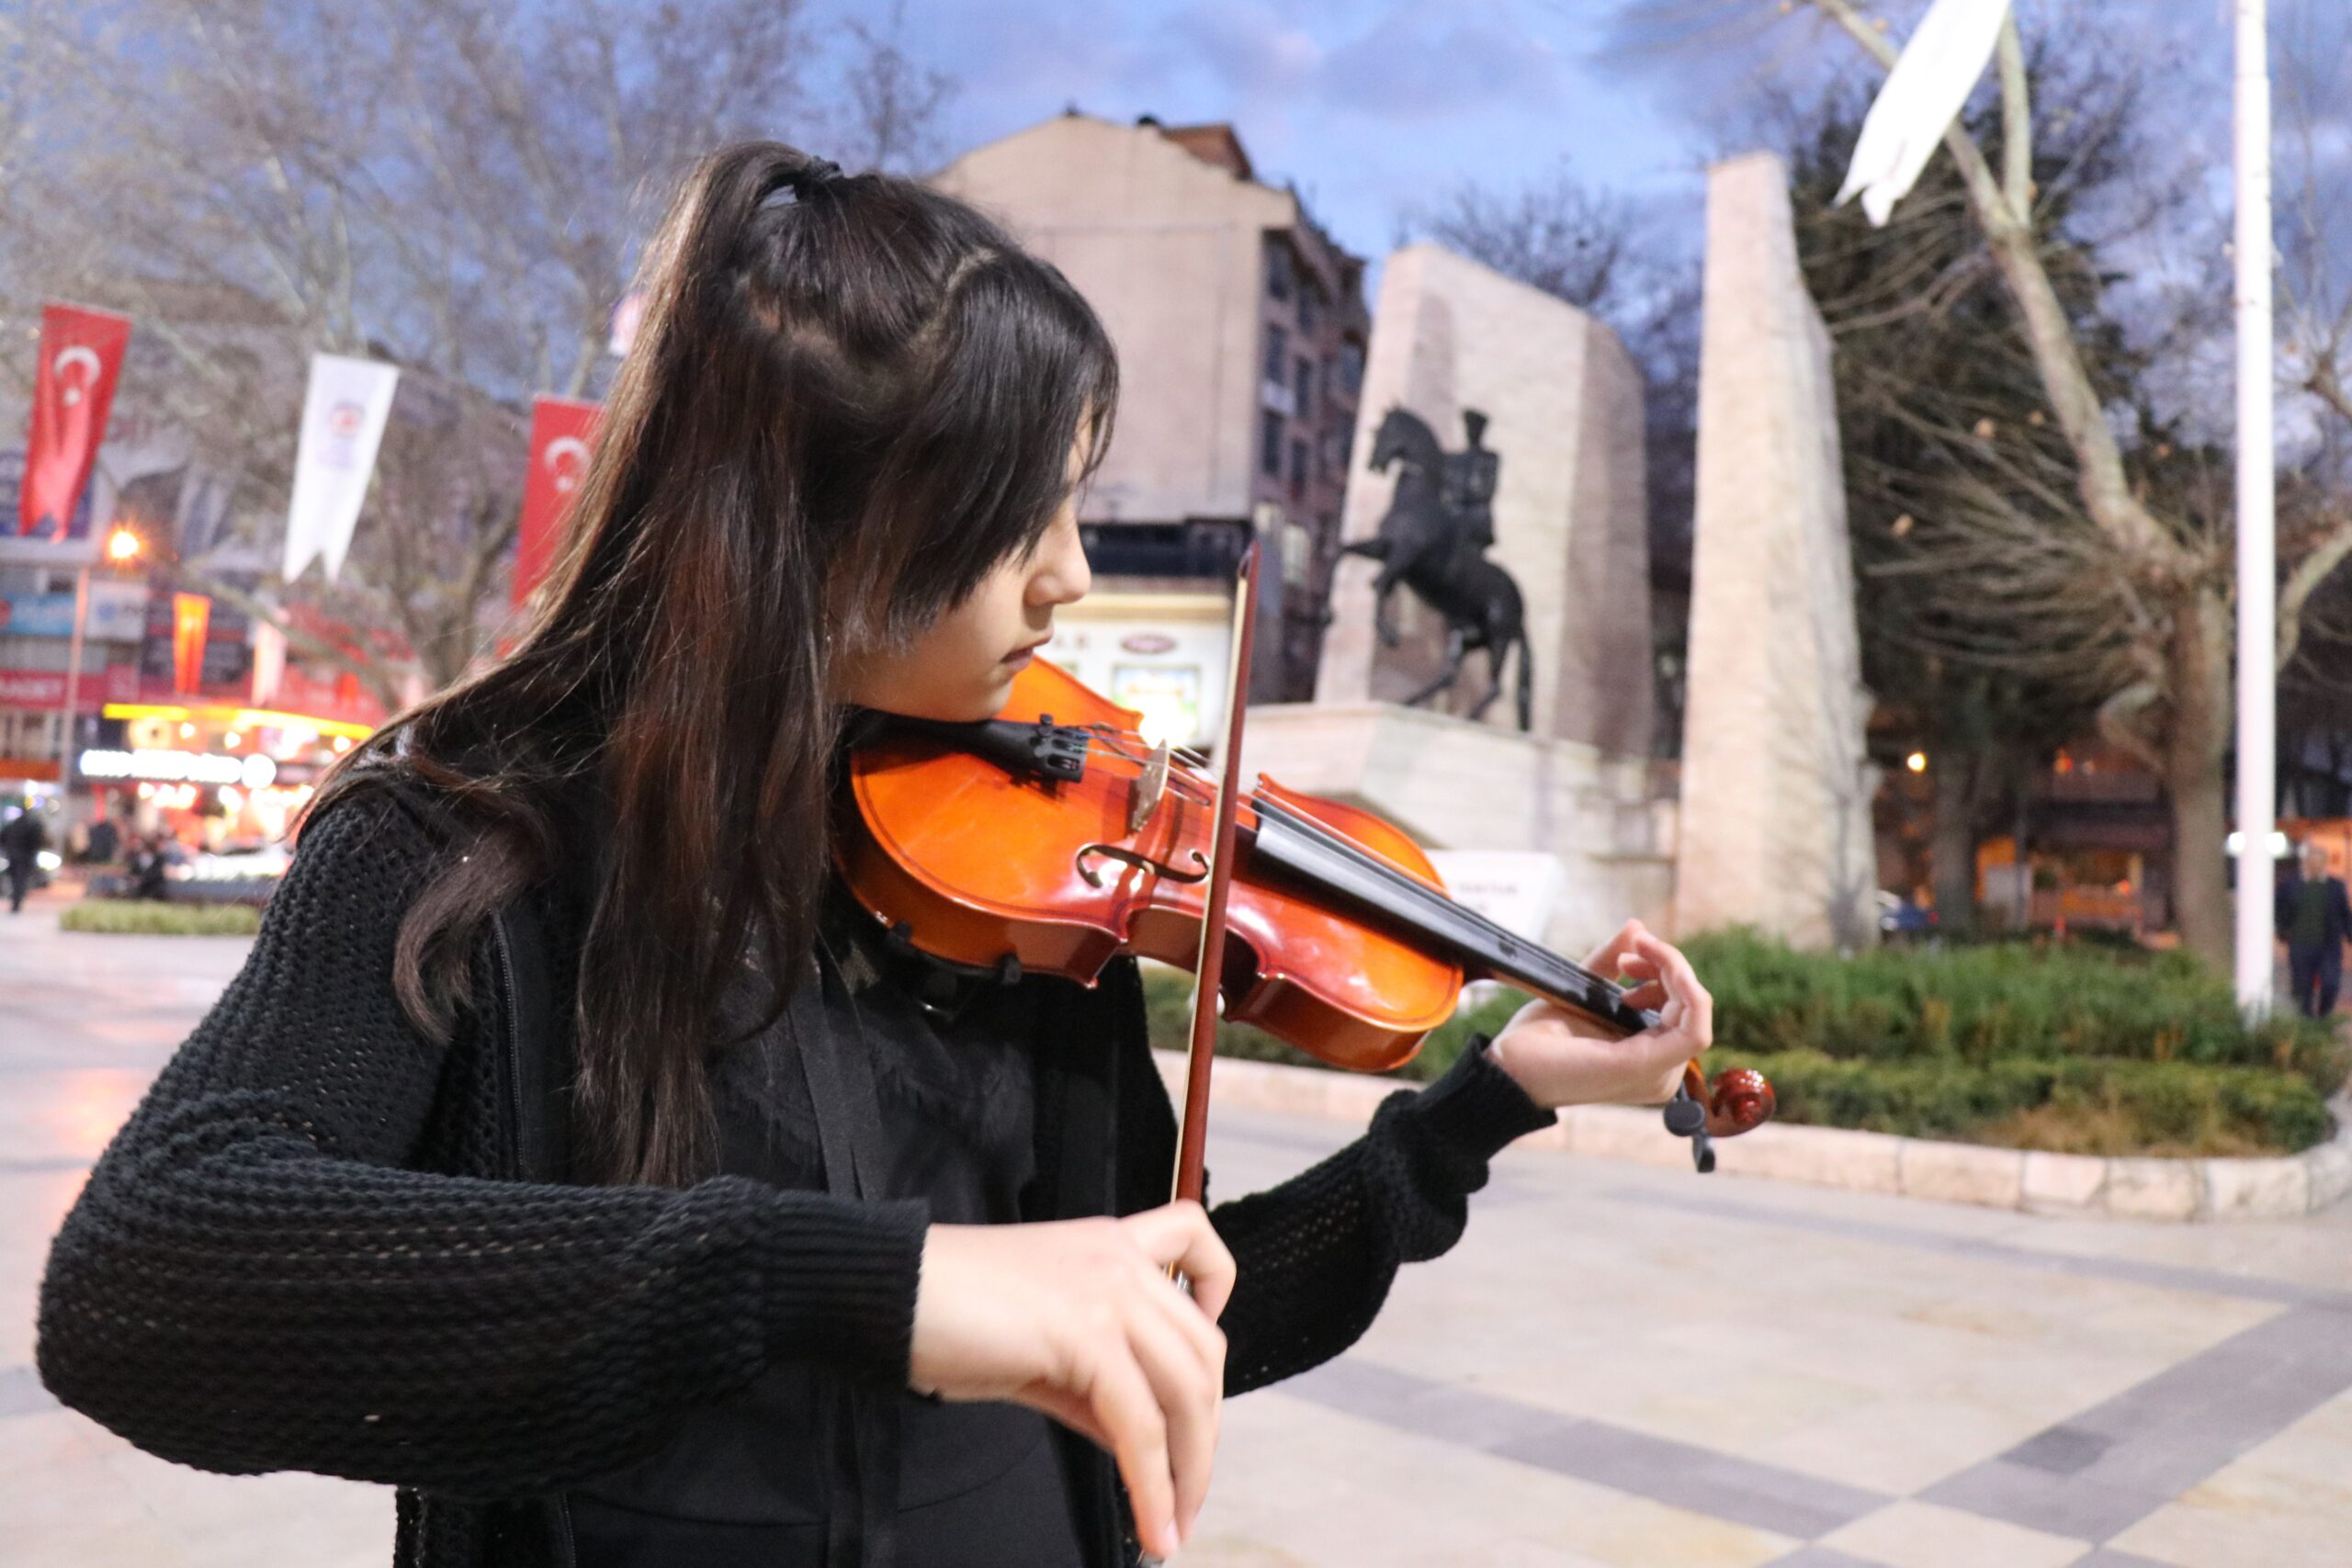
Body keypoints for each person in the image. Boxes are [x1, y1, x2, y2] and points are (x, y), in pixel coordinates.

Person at [34, 144, 1716, 1568]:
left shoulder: (1018, 887)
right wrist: (859, 1283)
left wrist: (1489, 1103)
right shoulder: (465, 844)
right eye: (1024, 515)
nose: (1069, 579)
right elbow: (148, 1280)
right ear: (819, 526)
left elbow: (1152, 1318)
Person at [2276, 841, 2351, 1018]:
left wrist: (2349, 933)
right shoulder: (2291, 886)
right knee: (2302, 987)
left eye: (2319, 862)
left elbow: (2344, 912)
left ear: (2325, 863)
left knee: (2331, 983)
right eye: (2311, 861)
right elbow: (2280, 908)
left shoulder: (2335, 887)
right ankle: (2307, 1023)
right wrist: (2282, 930)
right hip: (2300, 944)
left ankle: (2324, 1016)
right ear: (2306, 863)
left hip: (2329, 945)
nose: (2315, 865)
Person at [1, 800, 47, 913]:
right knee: (21, 880)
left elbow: (2, 838)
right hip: (25, 858)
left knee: (14, 880)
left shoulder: (13, 825)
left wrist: (7, 850)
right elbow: (36, 842)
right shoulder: (31, 825)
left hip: (12, 856)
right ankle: (17, 902)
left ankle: (15, 902)